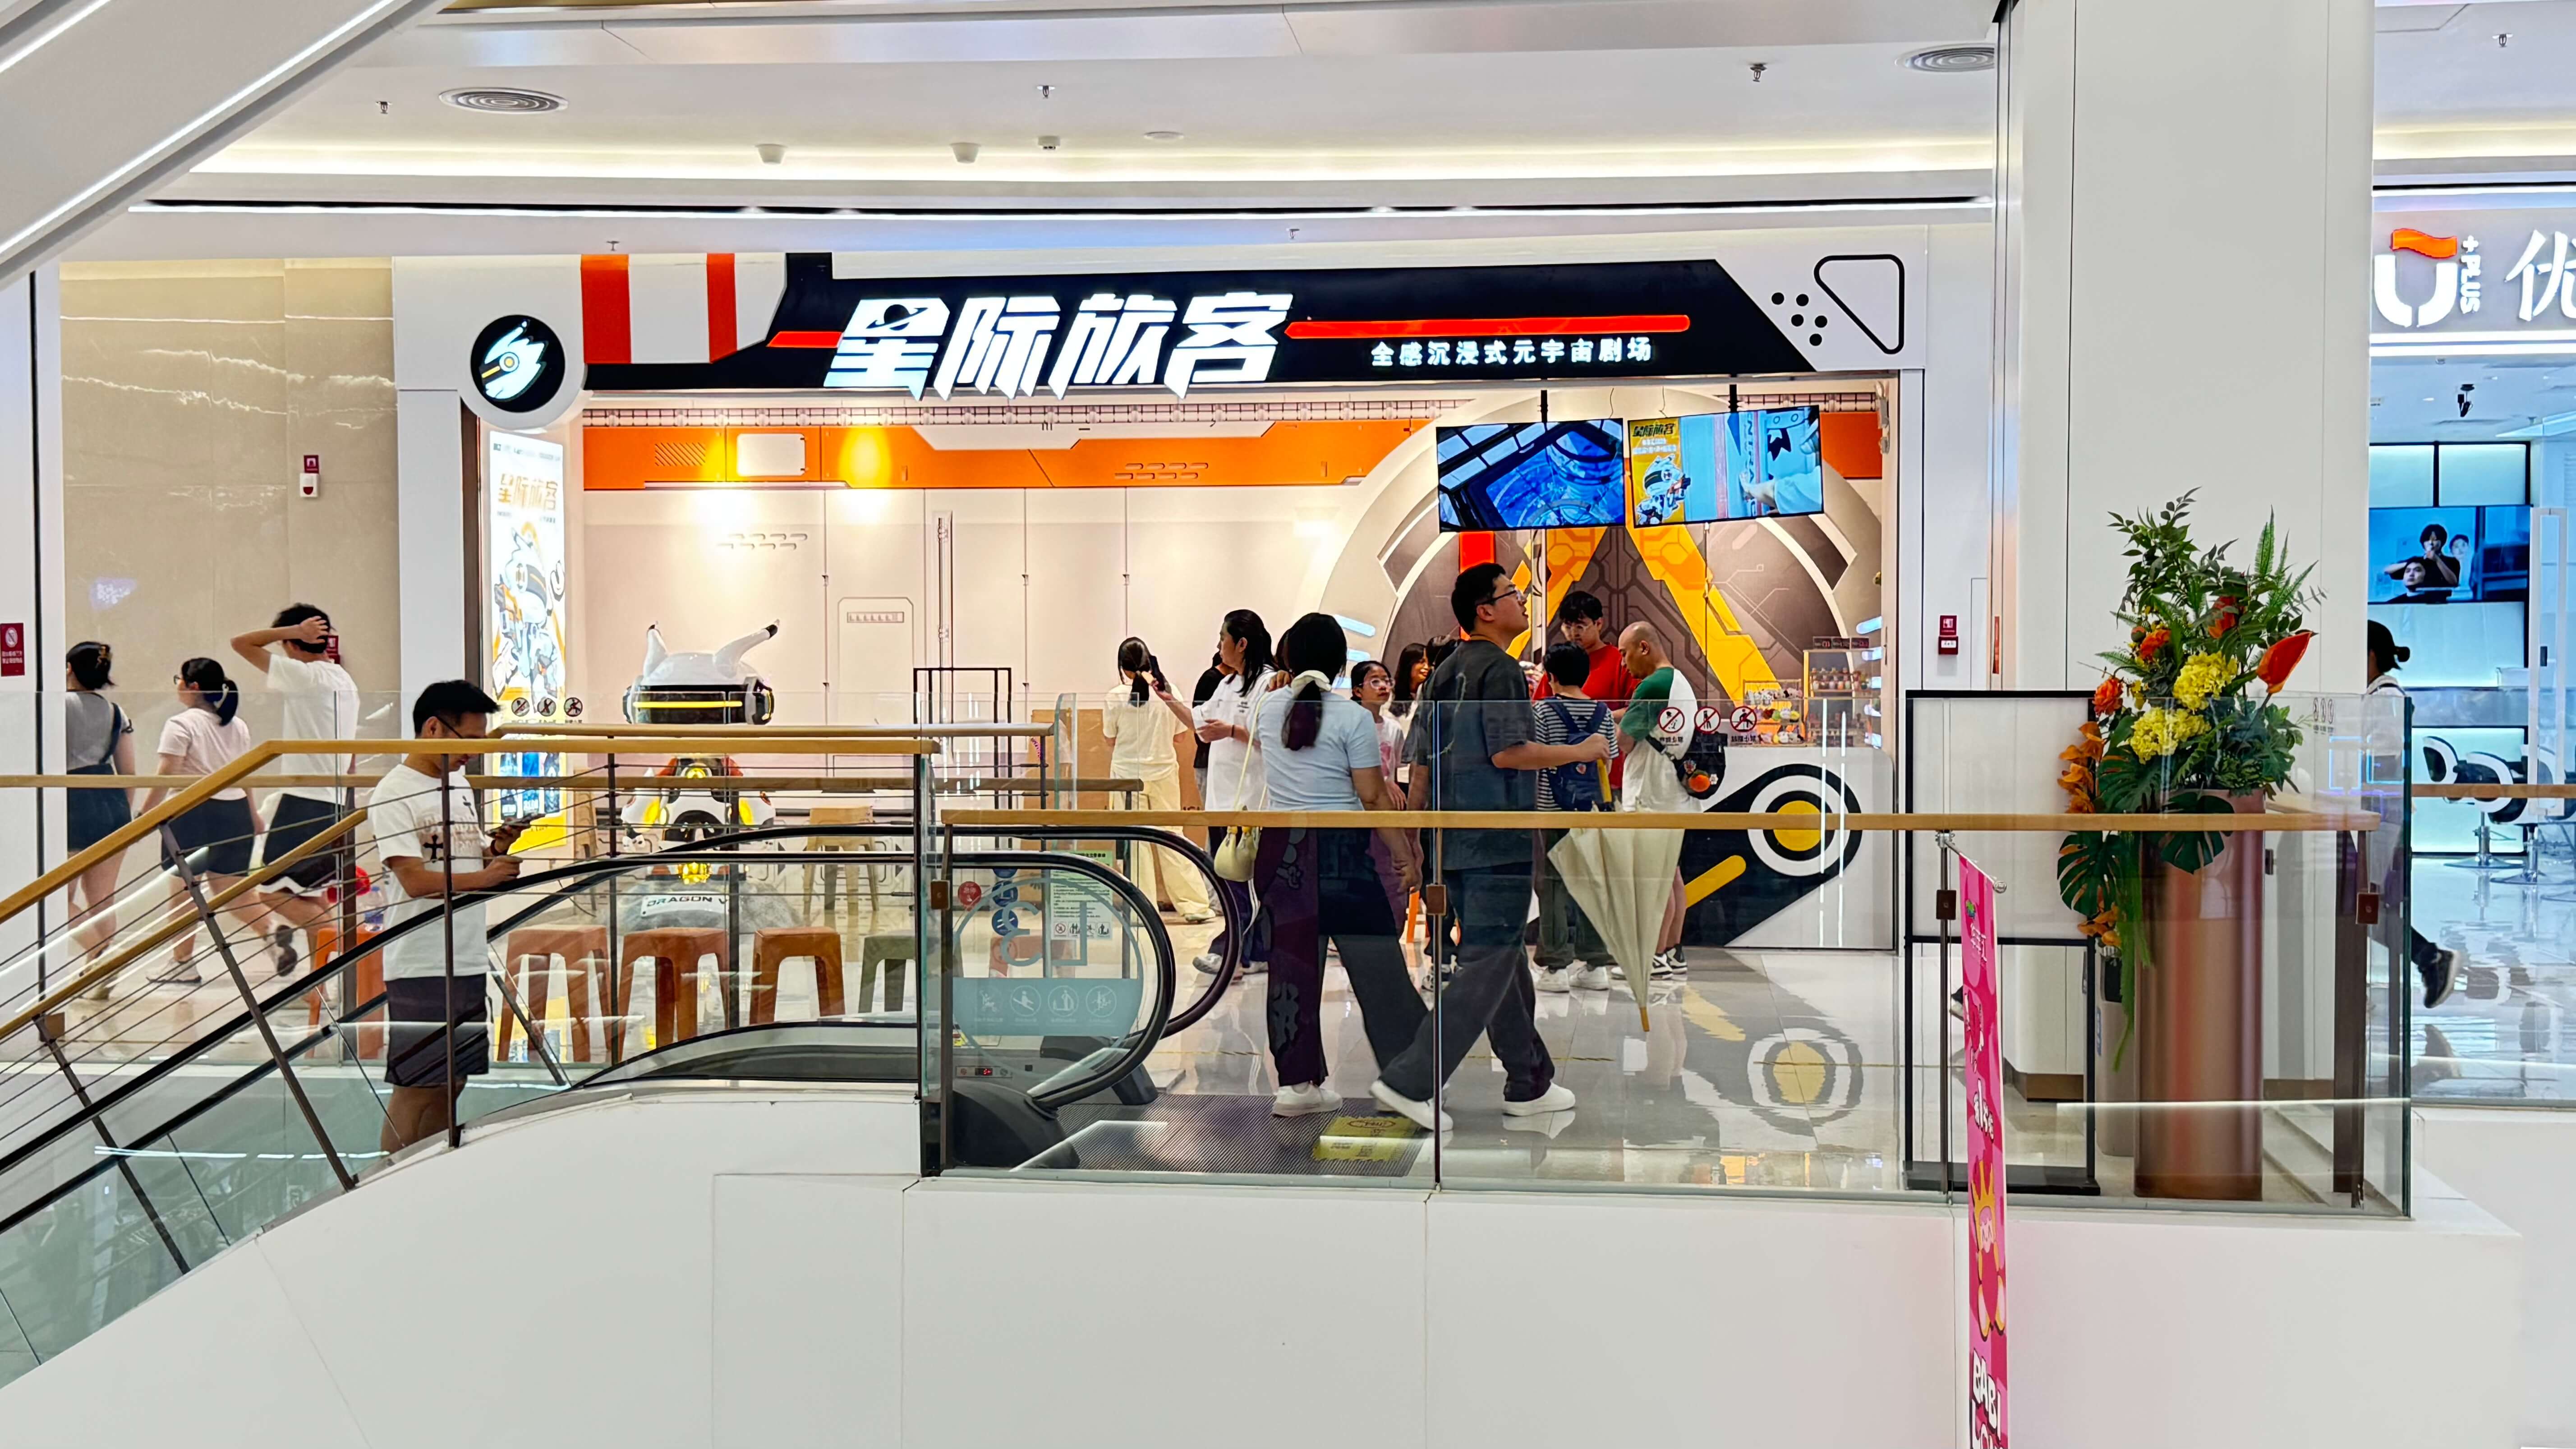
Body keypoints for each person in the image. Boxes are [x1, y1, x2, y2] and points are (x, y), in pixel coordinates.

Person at [1371, 564, 1610, 1131]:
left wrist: (1421, 839)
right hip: (1497, 840)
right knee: (1488, 961)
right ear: (1485, 610)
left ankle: (1530, 1080)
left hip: (1453, 840)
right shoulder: (1501, 670)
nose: (1522, 602)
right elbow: (1510, 753)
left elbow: (1421, 766)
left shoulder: (1442, 673)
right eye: (1513, 593)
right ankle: (1412, 1079)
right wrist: (1583, 751)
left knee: (1501, 960)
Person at [1251, 616, 1426, 1116]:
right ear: (1340, 665)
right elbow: (1372, 795)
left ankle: (1296, 1086)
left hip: (1283, 850)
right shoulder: (1352, 718)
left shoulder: (1269, 708)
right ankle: (1407, 1080)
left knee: (1292, 967)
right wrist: (1403, 853)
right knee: (1378, 965)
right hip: (1342, 851)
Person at [369, 680, 525, 1154]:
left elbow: (460, 859)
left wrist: (495, 848)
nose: (473, 754)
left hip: (466, 953)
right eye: (469, 740)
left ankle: (433, 1166)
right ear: (434, 728)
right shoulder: (393, 793)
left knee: (453, 1082)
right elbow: (417, 881)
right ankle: (389, 1177)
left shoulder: (457, 784)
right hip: (421, 961)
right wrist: (488, 877)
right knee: (417, 1086)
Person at [231, 604, 360, 977]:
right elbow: (351, 755)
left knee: (270, 892)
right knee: (312, 896)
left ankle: (345, 957)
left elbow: (241, 643)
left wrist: (291, 632)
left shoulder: (306, 676)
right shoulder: (344, 679)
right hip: (334, 800)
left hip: (306, 801)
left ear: (292, 643)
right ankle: (322, 986)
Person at [135, 658, 268, 984]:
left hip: (192, 812)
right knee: (233, 892)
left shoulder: (181, 724)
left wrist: (145, 815)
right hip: (234, 811)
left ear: (192, 686)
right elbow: (243, 774)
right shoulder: (237, 725)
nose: (177, 685)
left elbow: (167, 774)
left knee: (184, 891)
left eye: (178, 679)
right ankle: (274, 932)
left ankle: (182, 962)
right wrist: (253, 814)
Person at [2368, 621, 2462, 1008]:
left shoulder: (2386, 696)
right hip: (2378, 812)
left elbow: (2384, 757)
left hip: (2381, 814)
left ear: (2370, 656)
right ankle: (2427, 958)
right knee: (2365, 907)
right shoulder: (2379, 695)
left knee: (2365, 907)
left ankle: (2430, 957)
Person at [1100, 637, 1213, 925]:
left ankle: (1142, 909)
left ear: (1123, 668)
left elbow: (1109, 740)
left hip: (1127, 777)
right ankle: (1196, 906)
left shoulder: (1115, 696)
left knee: (1135, 843)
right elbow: (1180, 737)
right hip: (1164, 773)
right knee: (1173, 837)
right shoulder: (1169, 690)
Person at [1191, 611, 1280, 978]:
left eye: (1223, 638)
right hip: (1221, 800)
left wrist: (1231, 731)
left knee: (1245, 883)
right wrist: (1165, 696)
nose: (1219, 646)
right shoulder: (1227, 684)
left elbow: (1271, 741)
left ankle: (1231, 951)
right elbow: (1199, 724)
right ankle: (1249, 952)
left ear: (1241, 643)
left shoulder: (1271, 684)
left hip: (1251, 800)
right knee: (1229, 876)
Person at [1532, 641, 1616, 993]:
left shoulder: (1542, 711)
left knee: (1553, 884)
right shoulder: (1603, 712)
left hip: (1552, 810)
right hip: (1592, 811)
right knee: (1592, 883)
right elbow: (1608, 759)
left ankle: (1556, 966)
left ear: (1551, 677)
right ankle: (1596, 963)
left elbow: (1534, 755)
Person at [1617, 621, 1698, 979]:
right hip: (1673, 795)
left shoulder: (1652, 685)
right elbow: (1639, 716)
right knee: (1671, 875)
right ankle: (1673, 951)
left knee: (1654, 879)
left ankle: (1654, 955)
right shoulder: (1678, 682)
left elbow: (1624, 741)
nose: (1624, 664)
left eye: (1625, 654)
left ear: (1644, 647)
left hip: (1650, 794)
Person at [60, 642, 135, 985]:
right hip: (112, 800)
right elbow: (130, 773)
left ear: (69, 668)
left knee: (57, 899)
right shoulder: (117, 712)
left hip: (71, 800)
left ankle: (101, 954)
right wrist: (123, 813)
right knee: (103, 898)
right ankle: (102, 974)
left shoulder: (56, 706)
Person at [1350, 659, 1413, 919]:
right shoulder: (1352, 724)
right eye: (1374, 682)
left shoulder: (1393, 728)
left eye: (1386, 681)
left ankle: (1392, 922)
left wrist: (1392, 785)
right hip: (1357, 808)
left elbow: (1395, 769)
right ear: (1358, 690)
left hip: (1386, 810)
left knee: (1389, 868)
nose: (1383, 687)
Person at [1189, 651, 1227, 846]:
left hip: (1225, 767)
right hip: (1209, 764)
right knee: (1217, 831)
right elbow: (1200, 728)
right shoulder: (1213, 681)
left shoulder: (1237, 685)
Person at [2383, 523, 2462, 598]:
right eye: (2427, 540)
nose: (2431, 543)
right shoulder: (2416, 561)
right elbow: (2387, 570)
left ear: (2442, 542)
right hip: (2417, 601)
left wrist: (2437, 560)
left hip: (2442, 602)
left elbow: (2454, 583)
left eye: (2435, 540)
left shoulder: (2452, 561)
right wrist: (2410, 563)